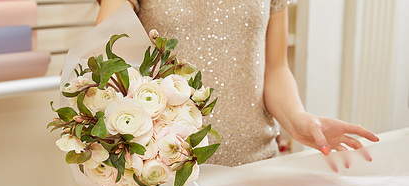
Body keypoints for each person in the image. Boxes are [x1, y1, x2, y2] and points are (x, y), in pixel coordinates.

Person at [95, 0, 379, 166]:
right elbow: (106, 62)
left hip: (257, 166)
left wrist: (296, 119)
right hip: (167, 171)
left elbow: (275, 67)